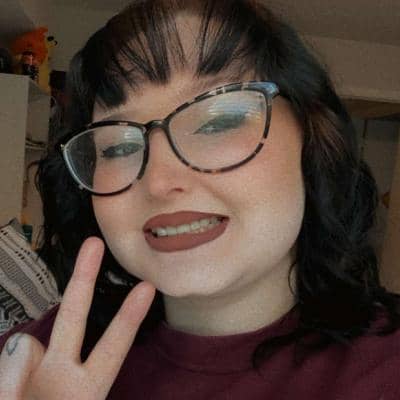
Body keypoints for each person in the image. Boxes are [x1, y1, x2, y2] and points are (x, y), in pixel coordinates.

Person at [1, 0, 400, 398]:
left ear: (314, 142)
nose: (159, 181)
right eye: (117, 147)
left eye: (219, 121)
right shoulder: (25, 366)